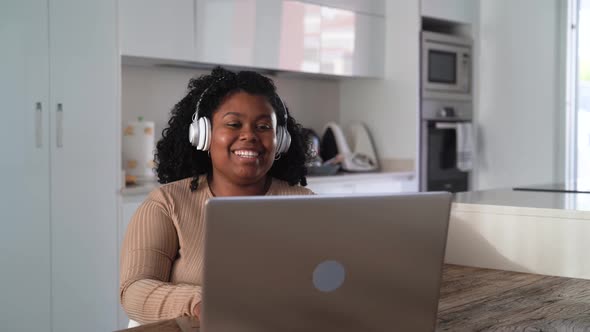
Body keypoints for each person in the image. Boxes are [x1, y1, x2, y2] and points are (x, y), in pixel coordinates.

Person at [119, 66, 314, 324]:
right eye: (234, 124)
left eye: (264, 126)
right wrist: (202, 301)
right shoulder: (167, 204)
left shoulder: (306, 205)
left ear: (280, 139)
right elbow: (134, 290)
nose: (250, 136)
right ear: (203, 135)